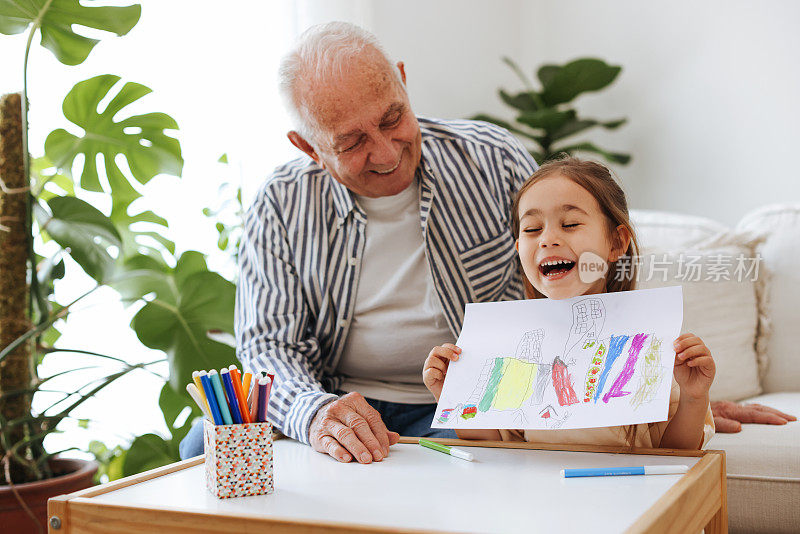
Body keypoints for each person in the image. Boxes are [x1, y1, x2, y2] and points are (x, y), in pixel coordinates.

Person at [178, 21, 538, 462]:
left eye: (393, 119)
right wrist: (316, 414)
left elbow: (566, 285)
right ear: (308, 147)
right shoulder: (280, 202)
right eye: (351, 142)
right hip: (337, 395)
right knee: (201, 446)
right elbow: (268, 344)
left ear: (403, 82)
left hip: (466, 399)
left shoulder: (494, 158)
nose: (387, 153)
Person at [424, 157, 716, 448]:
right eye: (532, 229)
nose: (548, 239)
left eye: (570, 224)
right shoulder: (517, 346)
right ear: (517, 247)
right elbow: (495, 448)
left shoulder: (652, 340)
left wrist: (693, 397)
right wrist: (450, 394)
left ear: (616, 242)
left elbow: (678, 454)